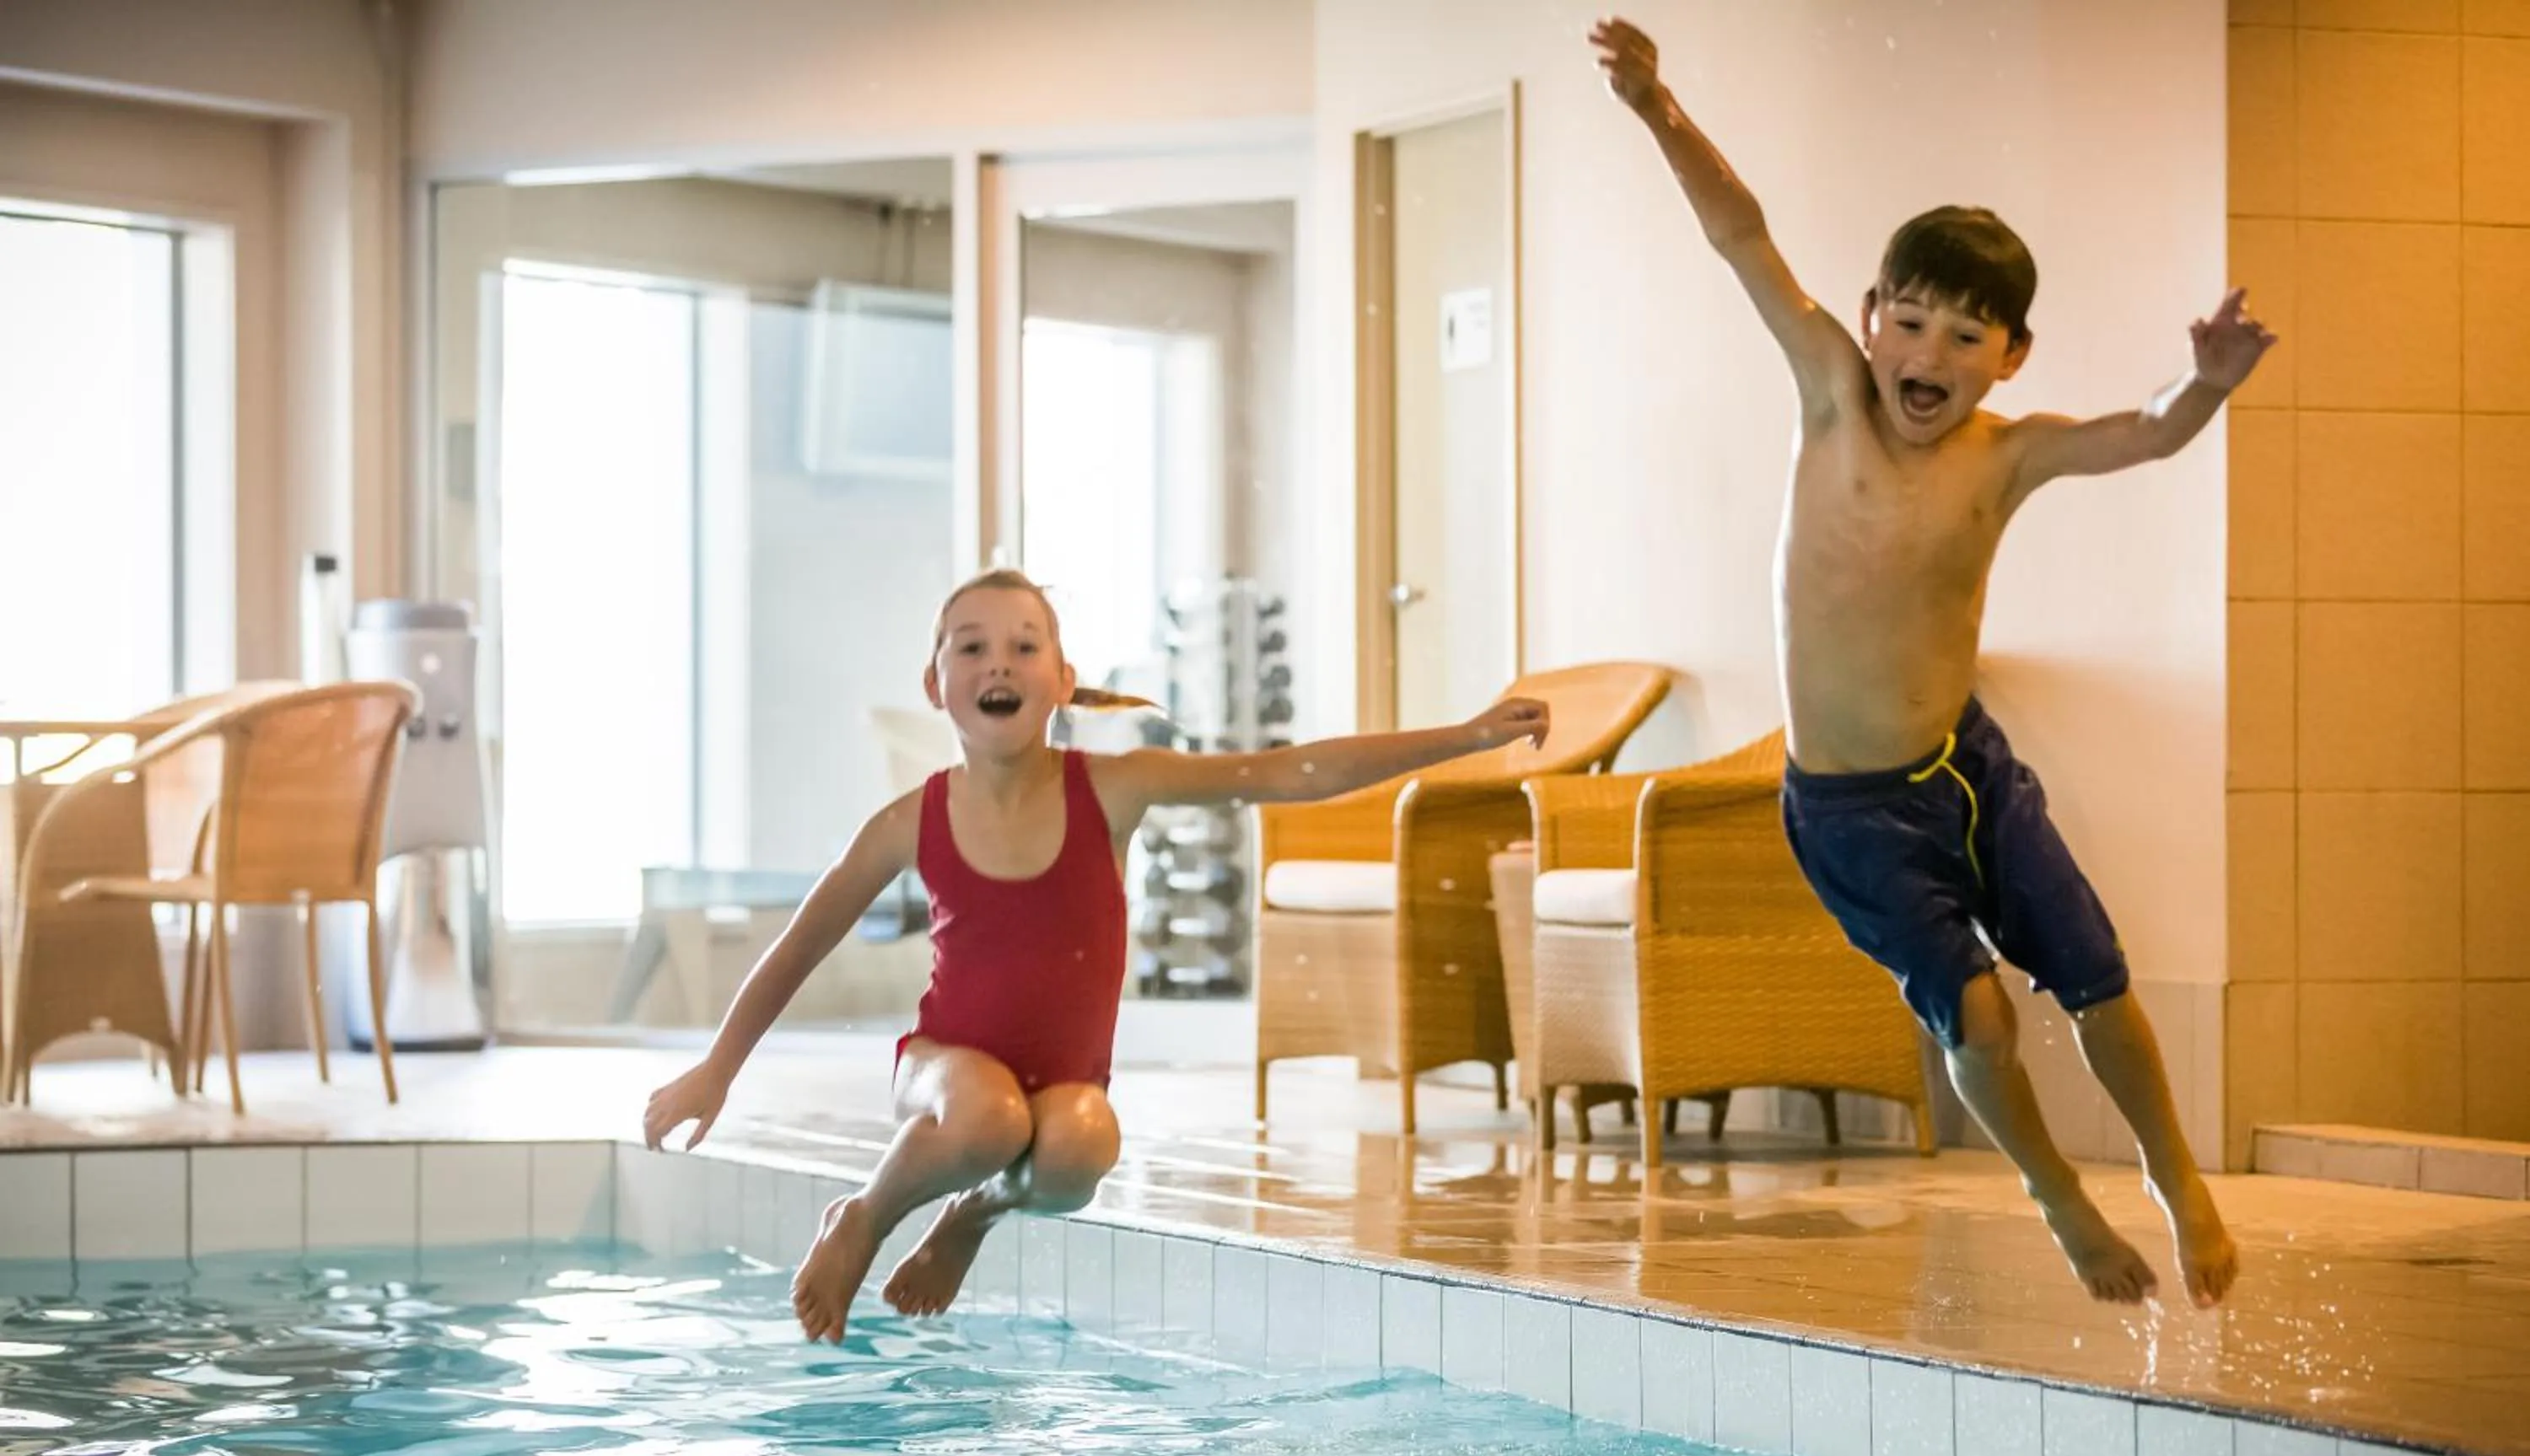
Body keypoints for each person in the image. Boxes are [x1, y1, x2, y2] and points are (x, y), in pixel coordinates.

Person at [1591, 17, 2269, 1307]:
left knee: (2098, 977)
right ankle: (2062, 1203)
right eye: (1910, 322)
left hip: (1970, 769)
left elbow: (2145, 437)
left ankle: (2179, 1182)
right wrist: (1658, 111)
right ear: (1869, 321)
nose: (1931, 357)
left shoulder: (2006, 456)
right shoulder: (1830, 395)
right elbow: (1742, 236)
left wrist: (2209, 387)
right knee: (1984, 1015)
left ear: (2011, 357)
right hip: (1848, 809)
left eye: (1969, 338)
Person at [642, 568, 1552, 1341]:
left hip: (1061, 1083)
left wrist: (1467, 735)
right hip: (941, 1072)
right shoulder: (910, 821)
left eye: (1024, 644)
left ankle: (974, 1213)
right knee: (988, 1119)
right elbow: (804, 941)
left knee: (1082, 1143)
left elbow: (1290, 769)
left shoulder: (1114, 789)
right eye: (971, 646)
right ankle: (864, 1217)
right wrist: (714, 1072)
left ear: (1063, 677)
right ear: (936, 685)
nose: (998, 660)